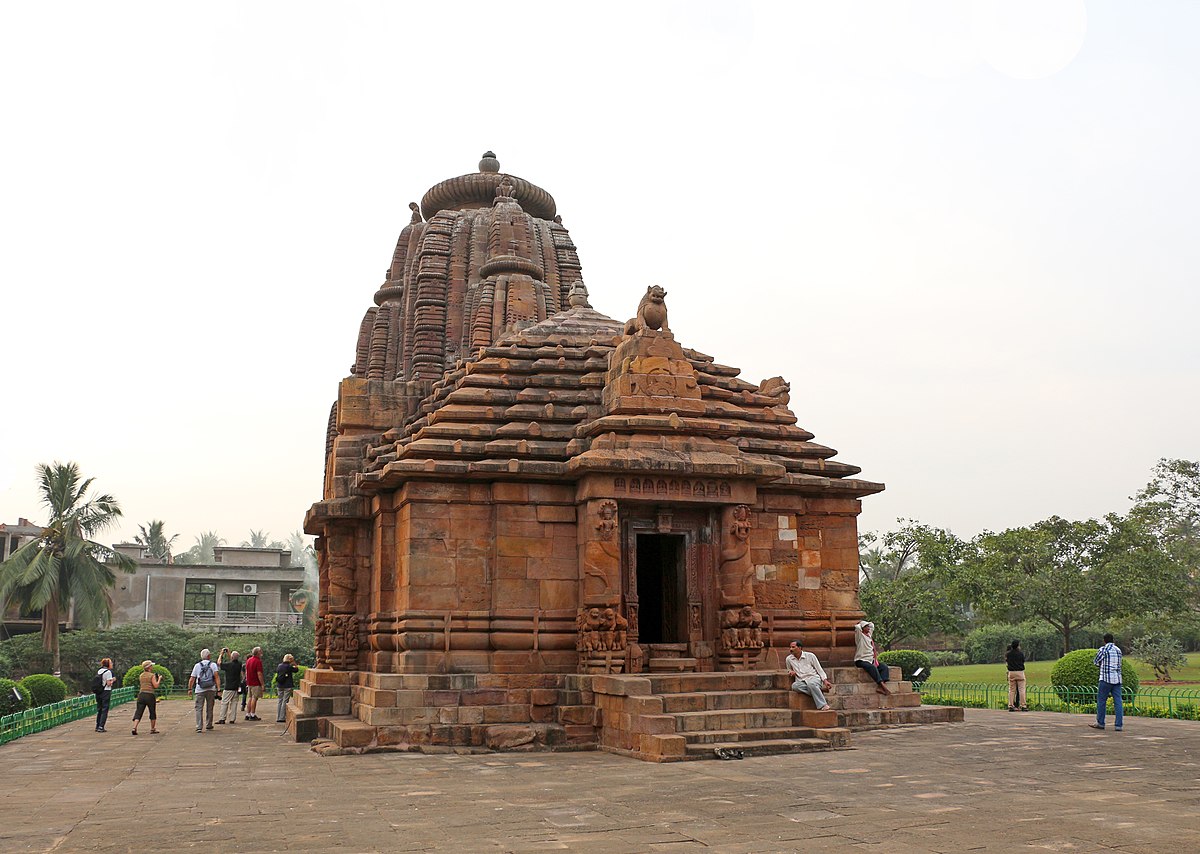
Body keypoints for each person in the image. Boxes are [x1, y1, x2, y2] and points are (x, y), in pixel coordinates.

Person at [785, 640, 833, 711]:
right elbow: (789, 669)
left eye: (793, 647)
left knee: (811, 684)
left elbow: (819, 669)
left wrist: (825, 681)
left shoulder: (810, 656)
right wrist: (791, 672)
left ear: (799, 648)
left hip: (813, 678)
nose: (791, 649)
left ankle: (823, 705)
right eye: (790, 647)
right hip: (801, 681)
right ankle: (818, 690)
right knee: (794, 686)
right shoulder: (789, 659)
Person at [1090, 634, 1124, 732]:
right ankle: (1119, 725)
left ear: (1104, 640)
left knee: (1101, 701)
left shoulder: (1103, 650)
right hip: (1117, 679)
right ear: (1113, 640)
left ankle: (1100, 723)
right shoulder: (1118, 650)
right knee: (1118, 702)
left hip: (1105, 678)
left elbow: (1096, 661)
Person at [188, 648, 221, 733]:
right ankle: (209, 724)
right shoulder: (213, 665)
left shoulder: (197, 665)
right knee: (210, 707)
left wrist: (189, 688)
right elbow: (216, 677)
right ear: (209, 656)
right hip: (211, 688)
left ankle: (199, 726)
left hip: (200, 689)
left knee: (199, 708)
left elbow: (192, 678)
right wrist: (218, 689)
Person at [853, 621, 891, 695]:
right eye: (866, 627)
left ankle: (880, 687)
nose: (868, 628)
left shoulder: (869, 635)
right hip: (861, 660)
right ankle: (882, 686)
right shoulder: (860, 637)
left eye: (868, 626)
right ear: (862, 628)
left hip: (871, 660)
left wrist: (866, 623)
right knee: (872, 668)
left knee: (884, 667)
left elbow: (872, 625)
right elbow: (857, 627)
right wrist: (860, 623)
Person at [131, 660, 162, 735]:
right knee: (152, 711)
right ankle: (152, 728)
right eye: (151, 666)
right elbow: (155, 686)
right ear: (149, 667)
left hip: (141, 694)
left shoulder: (141, 675)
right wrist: (159, 679)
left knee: (139, 711)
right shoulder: (152, 675)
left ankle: (134, 727)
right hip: (149, 695)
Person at [216, 648, 243, 725]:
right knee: (234, 703)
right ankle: (232, 719)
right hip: (236, 687)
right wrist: (229, 653)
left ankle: (222, 718)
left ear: (231, 657)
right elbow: (232, 659)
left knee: (224, 703)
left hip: (228, 687)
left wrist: (221, 654)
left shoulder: (228, 665)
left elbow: (219, 663)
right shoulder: (239, 664)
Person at [275, 653, 299, 723]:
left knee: (280, 701)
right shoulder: (289, 666)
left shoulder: (279, 666)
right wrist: (294, 663)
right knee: (285, 701)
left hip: (279, 685)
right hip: (287, 686)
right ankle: (282, 717)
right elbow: (296, 670)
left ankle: (279, 716)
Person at [93, 657, 115, 732]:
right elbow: (108, 684)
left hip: (98, 692)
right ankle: (101, 726)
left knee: (99, 709)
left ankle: (97, 725)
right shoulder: (108, 672)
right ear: (108, 664)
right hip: (106, 691)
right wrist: (112, 681)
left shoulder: (99, 671)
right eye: (111, 663)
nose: (112, 664)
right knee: (105, 709)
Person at [1006, 640, 1028, 712]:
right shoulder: (1020, 654)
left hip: (1011, 672)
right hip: (1020, 672)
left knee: (1012, 690)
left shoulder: (1008, 654)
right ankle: (1023, 705)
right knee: (1022, 689)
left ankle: (1011, 705)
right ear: (1018, 646)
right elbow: (1023, 661)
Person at [244, 646, 265, 721]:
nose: (262, 652)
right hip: (255, 682)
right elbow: (259, 673)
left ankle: (248, 713)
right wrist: (262, 684)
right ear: (258, 653)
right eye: (261, 651)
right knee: (254, 698)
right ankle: (252, 714)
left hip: (249, 682)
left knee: (250, 698)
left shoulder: (249, 660)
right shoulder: (257, 661)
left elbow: (246, 672)